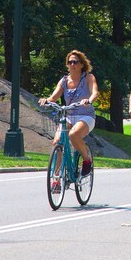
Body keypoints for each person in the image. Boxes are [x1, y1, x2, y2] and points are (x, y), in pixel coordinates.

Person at [41, 50, 99, 191]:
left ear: (81, 64)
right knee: (57, 142)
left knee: (73, 135)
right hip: (69, 115)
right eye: (70, 62)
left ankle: (86, 159)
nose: (72, 64)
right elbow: (54, 96)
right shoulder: (64, 81)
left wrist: (89, 100)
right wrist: (46, 100)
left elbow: (95, 92)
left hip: (86, 116)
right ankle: (56, 180)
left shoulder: (88, 78)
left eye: (75, 62)